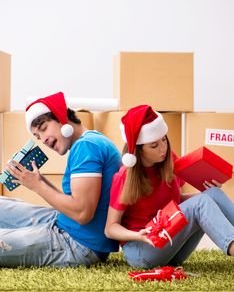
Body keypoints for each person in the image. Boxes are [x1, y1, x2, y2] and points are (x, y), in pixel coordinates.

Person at [0, 91, 121, 267]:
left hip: (78, 245)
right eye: (38, 137)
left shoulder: (87, 147)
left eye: (43, 129)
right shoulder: (90, 141)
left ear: (61, 117)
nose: (43, 140)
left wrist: (38, 187)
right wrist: (39, 181)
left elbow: (82, 213)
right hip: (65, 223)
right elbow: (75, 205)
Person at [105, 105, 234, 268]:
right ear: (139, 150)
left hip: (171, 247)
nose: (163, 148)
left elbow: (175, 202)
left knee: (212, 194)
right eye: (154, 145)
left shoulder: (168, 160)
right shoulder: (124, 177)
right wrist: (139, 235)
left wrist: (207, 193)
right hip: (142, 251)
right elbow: (110, 228)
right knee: (201, 202)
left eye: (164, 139)